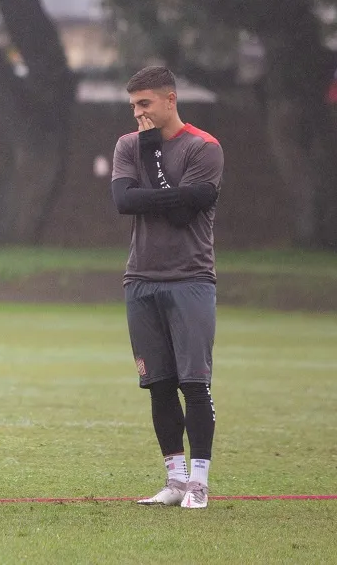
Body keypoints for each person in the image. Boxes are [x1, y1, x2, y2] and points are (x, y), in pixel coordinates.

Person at [111, 66, 224, 510]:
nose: (137, 114)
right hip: (140, 280)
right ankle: (174, 479)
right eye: (133, 105)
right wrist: (170, 192)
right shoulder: (126, 145)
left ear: (170, 99)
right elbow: (123, 201)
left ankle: (198, 483)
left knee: (193, 384)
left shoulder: (204, 148)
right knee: (158, 384)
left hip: (190, 279)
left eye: (145, 104)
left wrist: (154, 156)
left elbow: (183, 214)